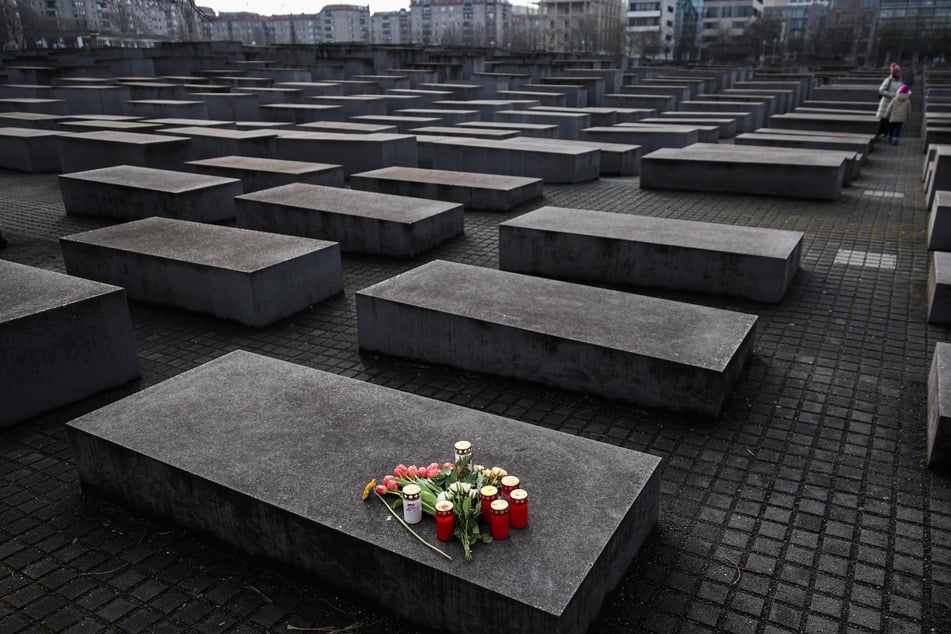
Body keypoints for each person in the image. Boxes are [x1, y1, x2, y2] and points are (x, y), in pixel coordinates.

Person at [877, 63, 903, 137]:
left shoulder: (900, 81)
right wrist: (892, 95)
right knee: (884, 120)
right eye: (898, 72)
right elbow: (881, 90)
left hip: (895, 104)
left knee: (892, 121)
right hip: (886, 103)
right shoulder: (888, 80)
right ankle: (883, 134)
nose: (899, 73)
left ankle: (889, 135)